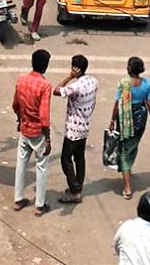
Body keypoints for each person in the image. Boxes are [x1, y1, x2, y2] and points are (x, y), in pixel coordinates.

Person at [109, 57, 150, 199]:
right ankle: (128, 168)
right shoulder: (146, 84)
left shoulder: (123, 84)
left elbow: (117, 104)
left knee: (123, 150)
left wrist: (112, 120)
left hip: (124, 120)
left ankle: (127, 186)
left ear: (129, 69)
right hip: (140, 119)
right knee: (134, 145)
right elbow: (149, 103)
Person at [53, 55, 98, 204]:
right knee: (79, 158)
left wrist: (69, 77)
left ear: (75, 69)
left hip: (73, 129)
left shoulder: (75, 86)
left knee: (66, 160)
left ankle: (74, 191)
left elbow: (57, 91)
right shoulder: (93, 81)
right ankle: (78, 185)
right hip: (85, 126)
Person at [12, 48, 52, 216]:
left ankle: (18, 199)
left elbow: (15, 104)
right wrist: (48, 138)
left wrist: (20, 119)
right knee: (41, 166)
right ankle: (40, 204)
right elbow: (44, 115)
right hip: (38, 132)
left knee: (21, 164)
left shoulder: (21, 80)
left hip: (24, 128)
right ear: (45, 66)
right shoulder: (45, 85)